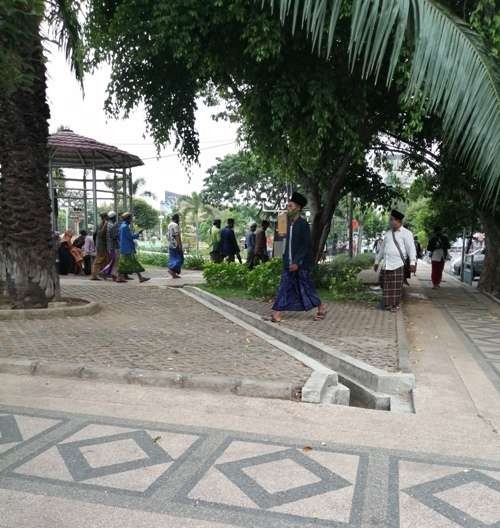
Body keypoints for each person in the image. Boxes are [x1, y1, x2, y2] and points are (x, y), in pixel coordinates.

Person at [270, 192, 327, 323]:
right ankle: (277, 313)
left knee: (307, 286)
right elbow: (280, 239)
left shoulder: (303, 225)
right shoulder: (285, 222)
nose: (287, 209)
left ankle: (321, 307)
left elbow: (305, 246)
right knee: (284, 286)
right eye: (287, 206)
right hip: (287, 263)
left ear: (298, 208)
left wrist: (297, 262)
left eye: (290, 206)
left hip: (300, 264)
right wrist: (279, 256)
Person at [374, 210, 417, 312]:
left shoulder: (406, 233)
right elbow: (382, 249)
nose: (390, 221)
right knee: (386, 285)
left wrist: (412, 262)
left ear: (397, 221)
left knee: (396, 287)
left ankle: (395, 305)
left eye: (391, 219)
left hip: (398, 264)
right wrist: (376, 261)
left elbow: (411, 248)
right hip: (386, 264)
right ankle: (388, 304)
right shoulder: (388, 234)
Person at [116, 212, 150, 283]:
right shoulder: (125, 227)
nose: (131, 220)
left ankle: (121, 277)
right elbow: (130, 237)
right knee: (131, 263)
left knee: (126, 263)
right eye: (130, 218)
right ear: (128, 219)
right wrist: (138, 233)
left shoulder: (122, 226)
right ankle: (139, 278)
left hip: (124, 247)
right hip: (127, 248)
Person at [101, 211, 120, 280]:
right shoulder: (112, 225)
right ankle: (105, 272)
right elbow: (114, 236)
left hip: (111, 245)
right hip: (113, 246)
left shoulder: (109, 224)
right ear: (114, 217)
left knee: (114, 260)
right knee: (114, 260)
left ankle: (111, 274)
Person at [91, 213, 108, 280]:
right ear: (104, 218)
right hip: (101, 245)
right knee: (99, 259)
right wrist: (105, 225)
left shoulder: (102, 224)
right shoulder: (102, 224)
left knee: (104, 260)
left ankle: (103, 274)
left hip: (102, 244)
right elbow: (101, 234)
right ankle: (94, 275)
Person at [167, 213, 184, 278]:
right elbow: (177, 235)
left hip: (170, 244)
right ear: (177, 219)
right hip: (175, 244)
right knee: (180, 259)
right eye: (178, 219)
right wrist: (179, 245)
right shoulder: (175, 225)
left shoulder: (169, 225)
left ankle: (173, 273)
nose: (179, 220)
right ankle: (171, 269)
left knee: (173, 258)